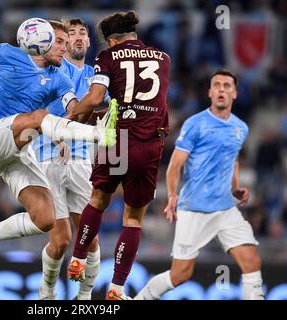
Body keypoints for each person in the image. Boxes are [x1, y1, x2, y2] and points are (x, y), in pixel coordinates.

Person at [0, 20, 117, 269]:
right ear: (40, 41)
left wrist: (99, 107)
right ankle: (98, 135)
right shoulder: (5, 53)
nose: (64, 49)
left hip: (17, 152)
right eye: (60, 42)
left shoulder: (60, 78)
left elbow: (74, 109)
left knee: (45, 219)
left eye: (67, 44)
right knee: (39, 117)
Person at [66, 11, 171, 300]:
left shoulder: (108, 57)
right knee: (133, 218)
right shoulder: (164, 58)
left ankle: (77, 258)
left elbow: (97, 97)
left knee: (98, 199)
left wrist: (72, 117)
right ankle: (117, 288)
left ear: (112, 41)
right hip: (149, 141)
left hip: (119, 137)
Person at [134, 70, 264, 300]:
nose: (221, 89)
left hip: (225, 209)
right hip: (194, 208)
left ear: (234, 93)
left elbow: (232, 157)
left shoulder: (240, 128)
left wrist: (235, 187)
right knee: (180, 274)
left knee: (252, 261)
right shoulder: (195, 124)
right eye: (217, 85)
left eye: (227, 85)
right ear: (210, 92)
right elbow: (175, 165)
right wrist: (173, 195)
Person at [32, 19, 104, 300]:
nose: (76, 37)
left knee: (90, 237)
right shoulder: (49, 70)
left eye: (82, 33)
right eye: (70, 33)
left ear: (87, 42)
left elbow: (105, 117)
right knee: (60, 241)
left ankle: (84, 296)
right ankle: (47, 290)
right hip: (48, 158)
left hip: (83, 162)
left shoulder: (98, 78)